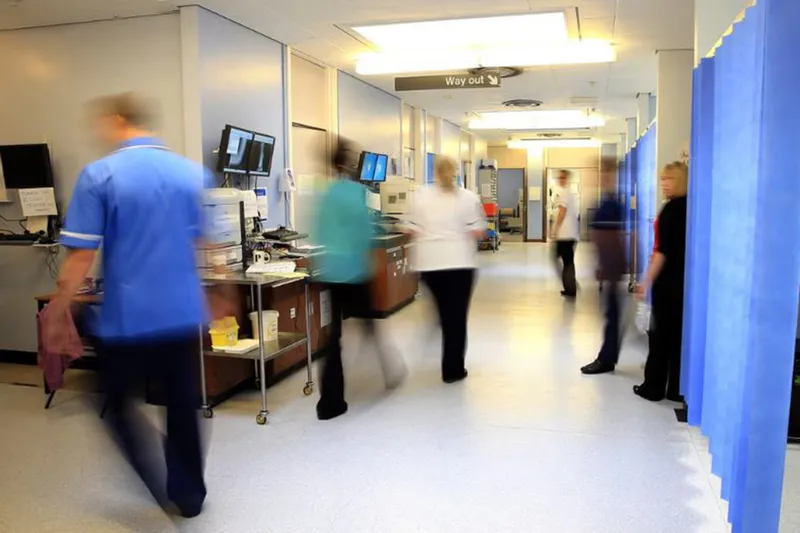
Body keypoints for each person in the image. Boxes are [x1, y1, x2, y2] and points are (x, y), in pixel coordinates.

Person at [50, 93, 210, 517]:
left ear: (119, 120)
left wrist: (58, 309)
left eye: (103, 122)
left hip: (129, 318)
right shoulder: (190, 174)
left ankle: (155, 476)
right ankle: (189, 495)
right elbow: (204, 244)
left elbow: (80, 257)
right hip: (181, 312)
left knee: (117, 403)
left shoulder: (100, 174)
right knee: (182, 404)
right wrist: (221, 296)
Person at [313, 139, 406, 421]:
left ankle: (330, 402)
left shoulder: (326, 193)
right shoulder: (356, 192)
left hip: (330, 271)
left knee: (332, 339)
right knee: (370, 322)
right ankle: (391, 371)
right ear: (350, 163)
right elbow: (364, 230)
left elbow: (319, 232)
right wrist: (383, 231)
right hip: (355, 271)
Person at [410, 156, 486, 383]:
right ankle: (453, 370)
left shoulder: (420, 196)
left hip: (430, 265)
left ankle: (441, 322)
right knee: (457, 318)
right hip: (459, 263)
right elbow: (478, 231)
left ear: (435, 172)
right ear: (456, 172)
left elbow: (412, 229)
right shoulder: (468, 198)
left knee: (445, 313)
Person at [634, 162, 689, 402]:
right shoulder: (690, 207)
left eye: (669, 179)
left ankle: (653, 387)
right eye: (662, 179)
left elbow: (662, 253)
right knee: (677, 337)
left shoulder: (671, 210)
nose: (664, 184)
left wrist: (645, 281)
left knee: (659, 337)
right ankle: (676, 388)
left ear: (681, 180)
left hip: (667, 282)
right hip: (683, 280)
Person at [581, 157, 626, 375]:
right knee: (612, 312)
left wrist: (608, 266)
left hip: (613, 265)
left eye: (607, 173)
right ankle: (608, 356)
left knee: (613, 313)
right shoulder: (607, 200)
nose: (603, 177)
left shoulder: (612, 203)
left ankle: (607, 359)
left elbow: (612, 238)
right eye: (602, 172)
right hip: (609, 265)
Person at [551, 170, 580, 298]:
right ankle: (571, 285)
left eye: (563, 177)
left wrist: (555, 229)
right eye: (560, 177)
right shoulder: (570, 194)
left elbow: (562, 212)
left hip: (565, 235)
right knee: (567, 261)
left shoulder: (564, 193)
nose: (560, 179)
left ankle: (571, 287)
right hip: (570, 234)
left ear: (567, 179)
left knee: (562, 261)